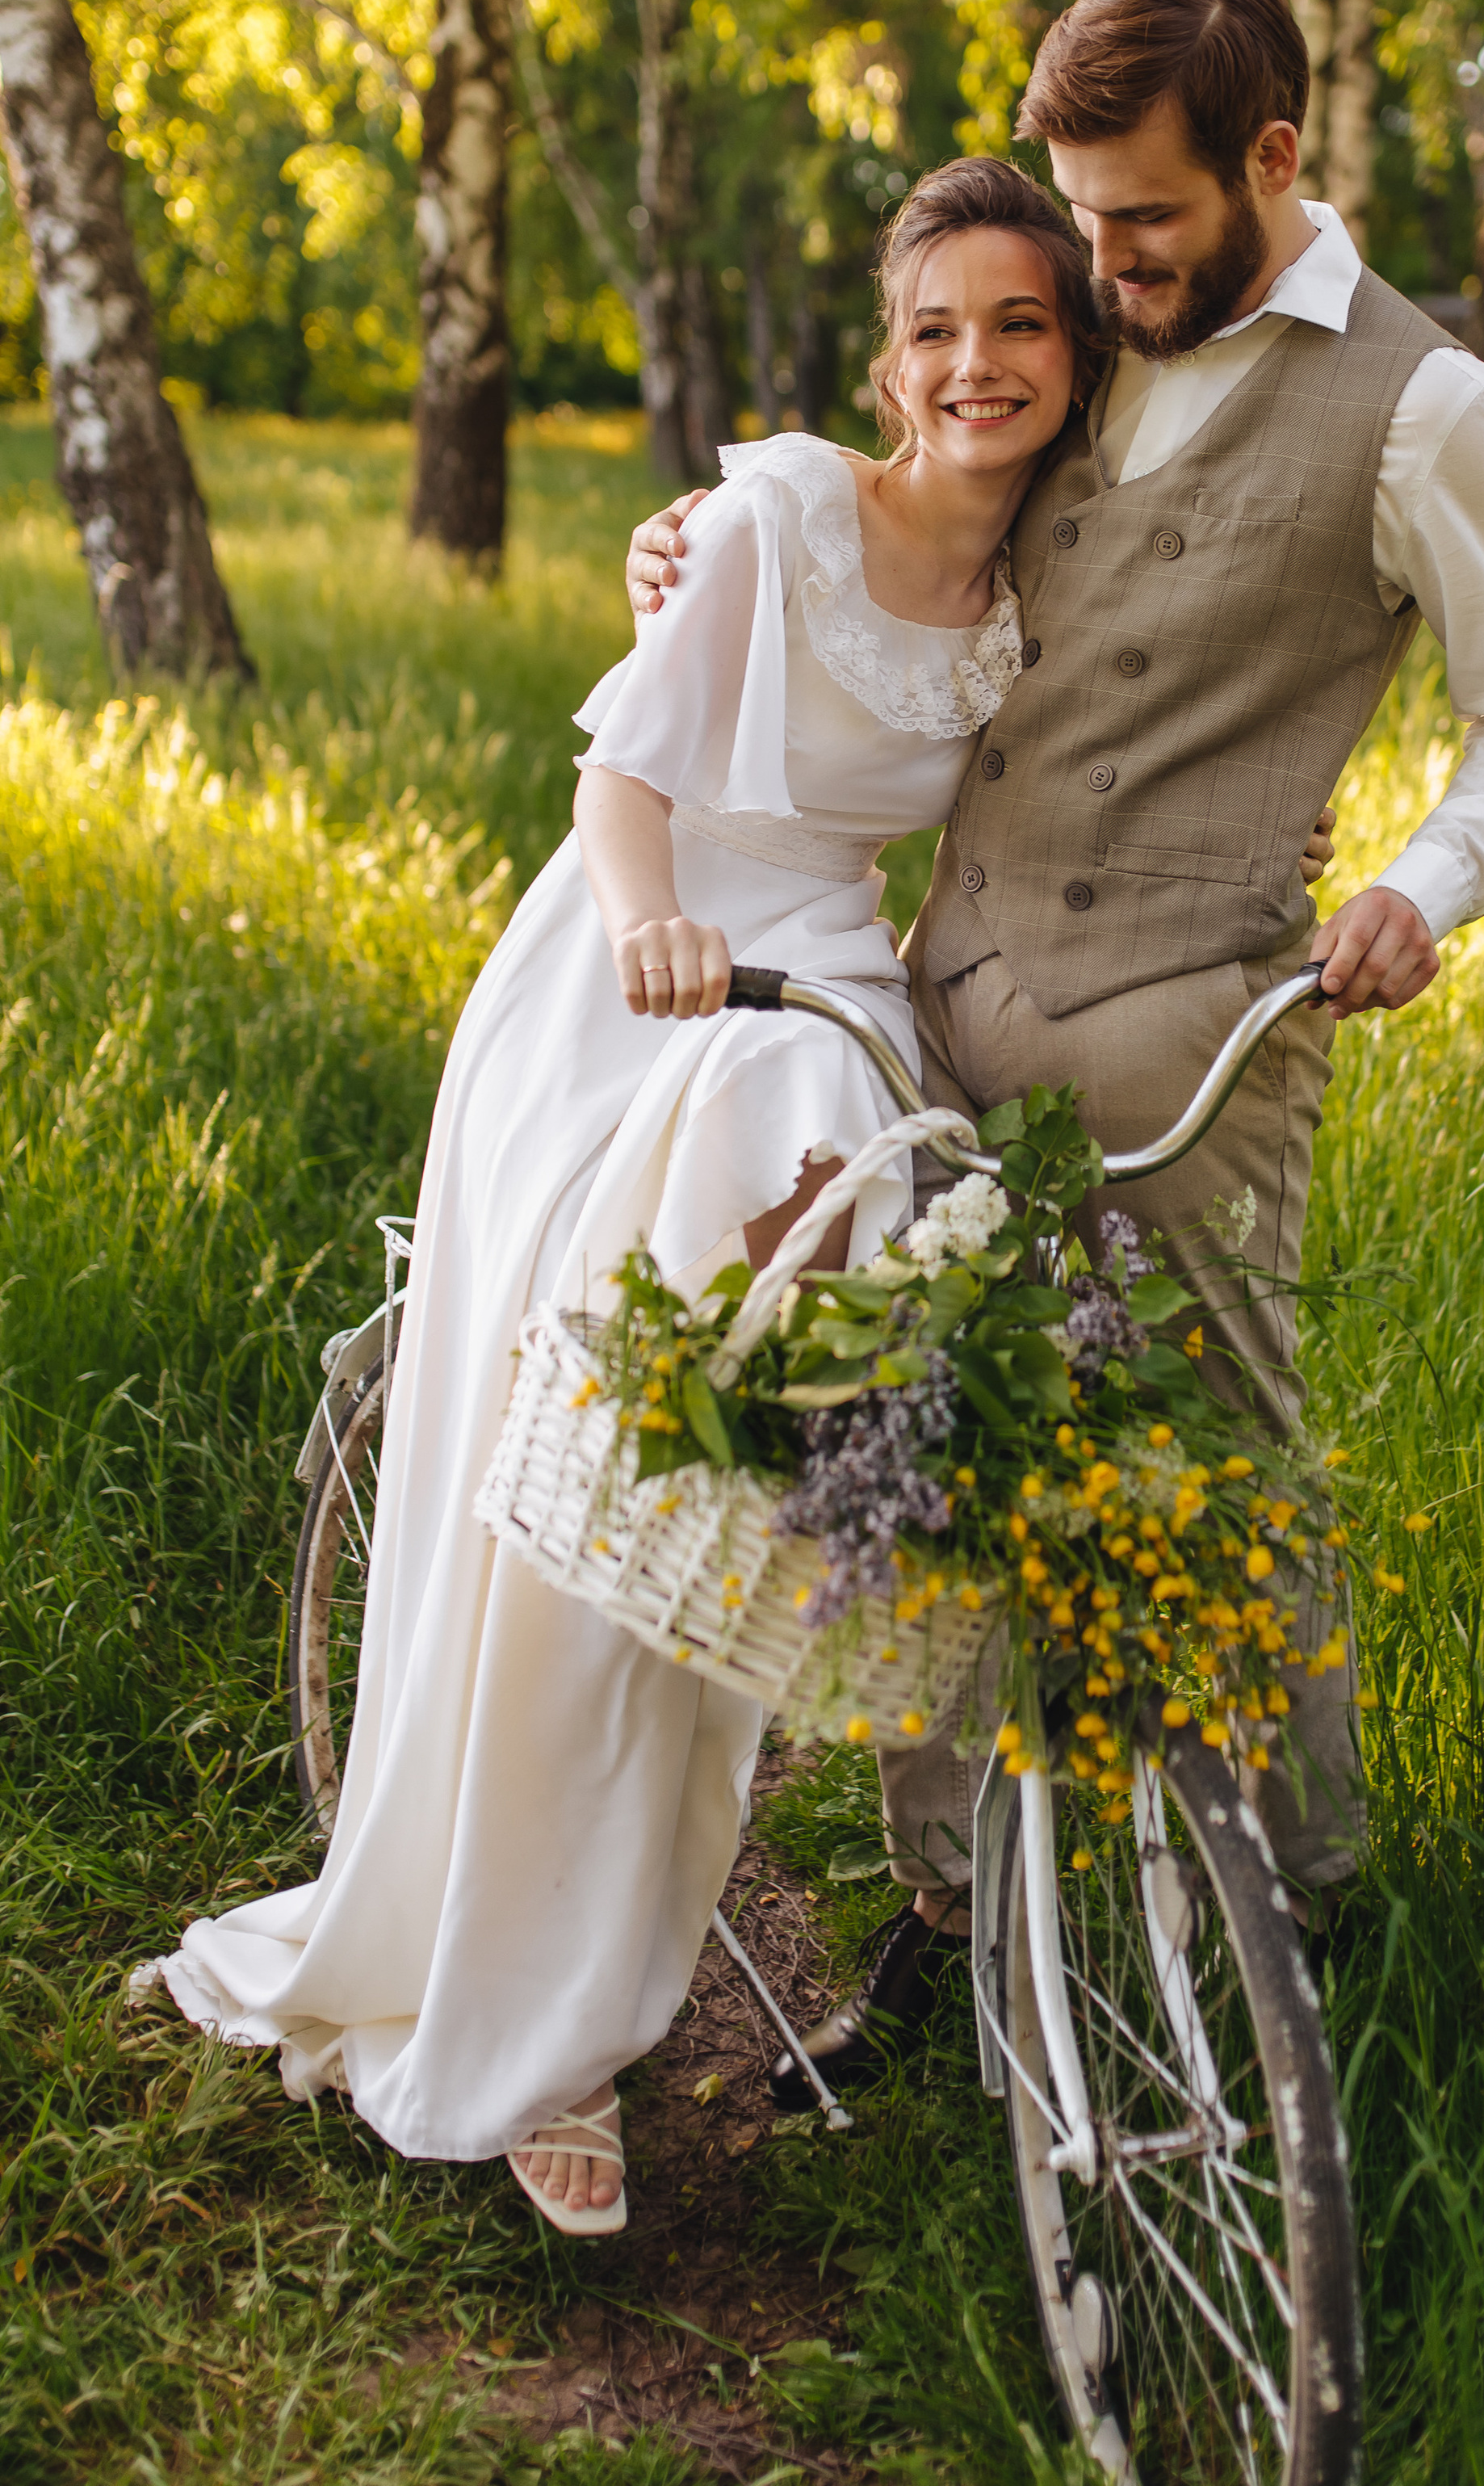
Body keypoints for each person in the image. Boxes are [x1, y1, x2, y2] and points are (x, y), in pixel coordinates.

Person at [625, 0, 1484, 2100]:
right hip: (940, 996)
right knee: (922, 1452)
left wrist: (1424, 884)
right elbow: (914, 477)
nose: (1105, 263)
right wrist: (709, 537)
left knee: (1218, 1481)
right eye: (1083, 219)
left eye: (1145, 217)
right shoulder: (1087, 333)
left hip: (1193, 1041)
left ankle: (1295, 1948)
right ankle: (954, 1911)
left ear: (1272, 156)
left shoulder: (1428, 411)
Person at [135, 157, 1105, 2235]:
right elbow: (619, 779)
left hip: (824, 967)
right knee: (612, 1435)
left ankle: (793, 1545)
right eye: (935, 329)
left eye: (1020, 323)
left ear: (1073, 351)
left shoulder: (1047, 575)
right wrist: (655, 918)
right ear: (887, 363)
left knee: (811, 1325)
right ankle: (528, 2017)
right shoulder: (769, 519)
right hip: (636, 967)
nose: (976, 365)